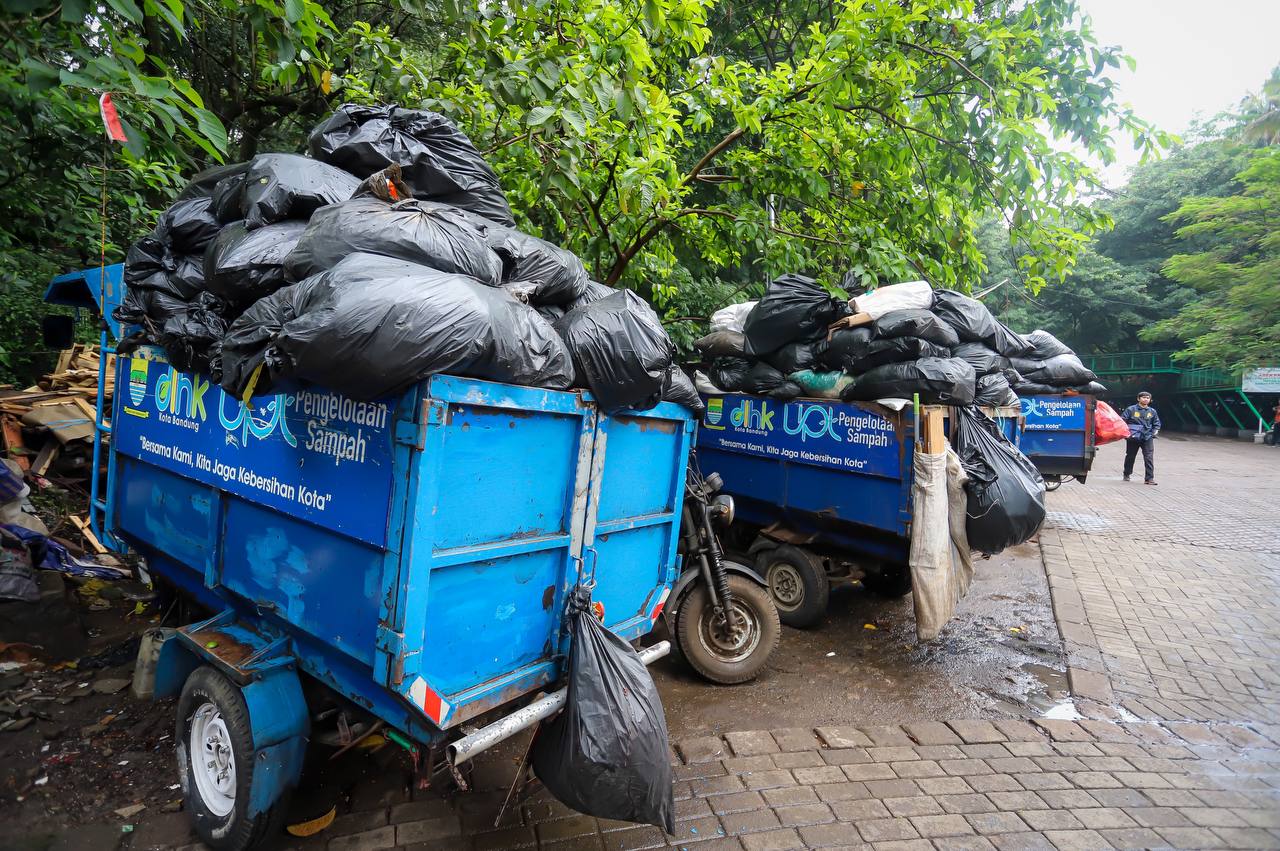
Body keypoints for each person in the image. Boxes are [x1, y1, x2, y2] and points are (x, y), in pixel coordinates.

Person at [1122, 391, 1161, 484]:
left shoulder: (1152, 411)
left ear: (1150, 400)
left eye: (1148, 398)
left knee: (1149, 458)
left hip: (1147, 437)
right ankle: (1126, 474)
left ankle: (1149, 478)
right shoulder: (1131, 409)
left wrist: (1154, 432)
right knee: (1130, 456)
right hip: (1133, 437)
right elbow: (1122, 420)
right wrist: (1127, 433)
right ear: (1138, 399)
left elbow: (1156, 424)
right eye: (1143, 397)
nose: (1146, 399)